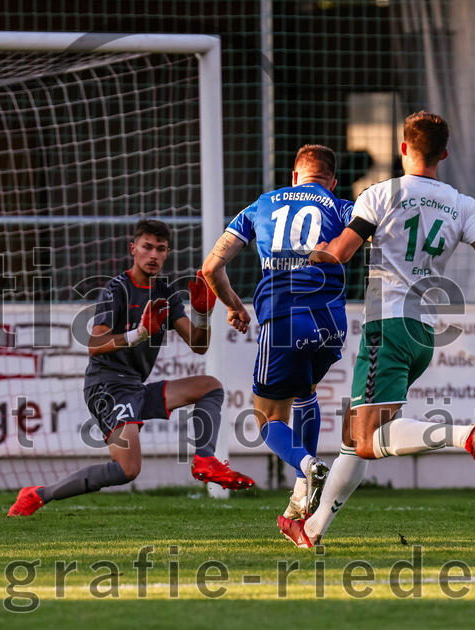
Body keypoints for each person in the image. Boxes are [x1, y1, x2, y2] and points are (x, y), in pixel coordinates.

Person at [281, 111, 475, 548]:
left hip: (387, 326)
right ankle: (311, 529)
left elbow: (341, 252)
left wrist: (314, 253)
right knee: (353, 438)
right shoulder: (462, 204)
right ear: (444, 154)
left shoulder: (380, 194)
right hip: (423, 332)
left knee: (367, 440)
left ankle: (466, 435)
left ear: (403, 148)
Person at [8, 220, 254, 516]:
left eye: (160, 249)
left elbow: (198, 345)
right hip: (107, 386)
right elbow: (95, 344)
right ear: (133, 248)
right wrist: (139, 333)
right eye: (147, 247)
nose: (153, 255)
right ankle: (37, 495)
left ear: (167, 253)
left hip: (135, 386)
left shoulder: (165, 293)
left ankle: (205, 460)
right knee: (128, 469)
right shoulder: (117, 289)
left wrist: (203, 313)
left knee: (210, 387)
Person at [201, 144, 355, 541]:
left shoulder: (262, 205)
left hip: (285, 317)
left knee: (267, 418)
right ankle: (302, 498)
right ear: (332, 182)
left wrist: (234, 306)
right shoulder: (340, 206)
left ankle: (307, 467)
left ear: (294, 176)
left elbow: (211, 267)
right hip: (332, 322)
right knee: (305, 391)